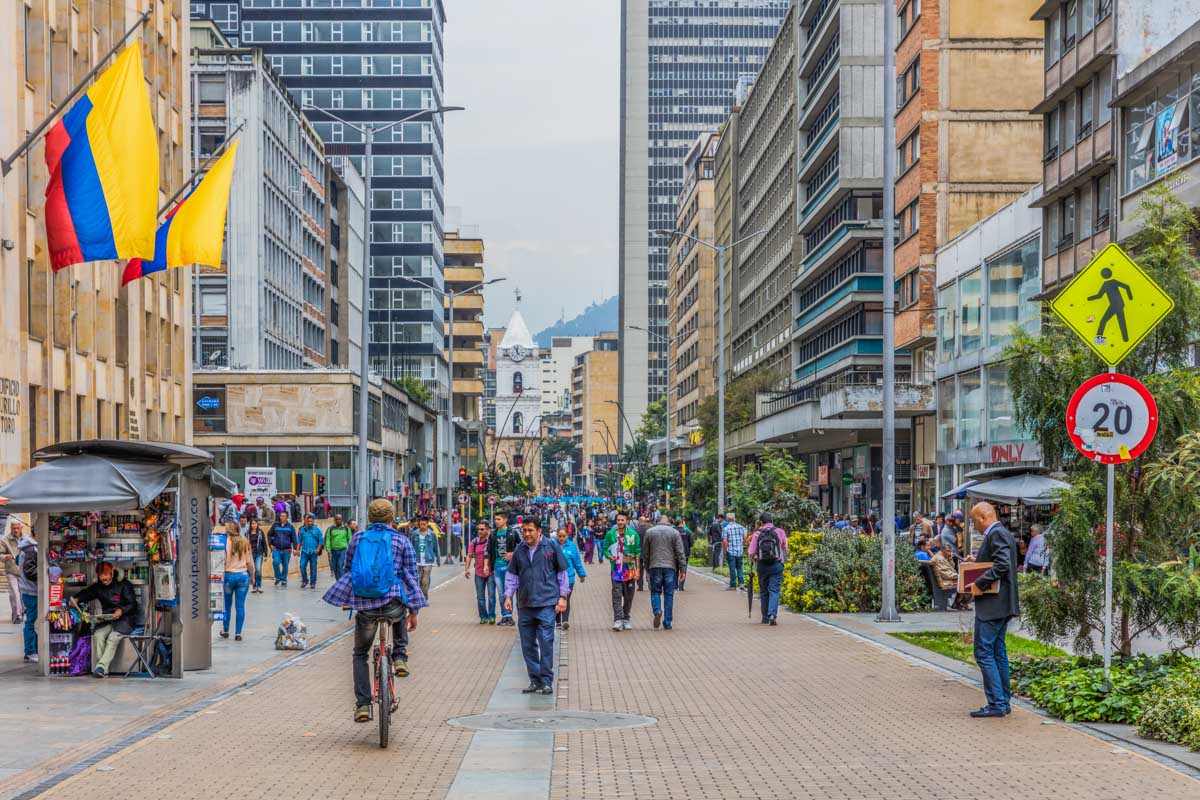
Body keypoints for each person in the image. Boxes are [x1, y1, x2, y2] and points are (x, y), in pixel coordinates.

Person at [322, 499, 426, 723]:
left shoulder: (358, 538)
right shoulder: (402, 539)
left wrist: (349, 597)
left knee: (360, 653)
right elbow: (412, 576)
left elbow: (348, 569)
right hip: (392, 604)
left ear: (370, 518)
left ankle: (363, 705)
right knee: (398, 606)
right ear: (391, 518)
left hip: (366, 605)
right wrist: (414, 611)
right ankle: (399, 657)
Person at [965, 501, 1020, 718]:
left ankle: (997, 703)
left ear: (982, 517)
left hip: (994, 605)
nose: (973, 525)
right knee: (997, 652)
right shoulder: (1001, 533)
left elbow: (1002, 564)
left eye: (973, 520)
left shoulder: (996, 534)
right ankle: (1002, 702)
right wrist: (977, 561)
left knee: (983, 652)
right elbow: (997, 562)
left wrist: (979, 584)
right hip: (1002, 604)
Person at [503, 518, 569, 694]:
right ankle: (535, 679)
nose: (526, 534)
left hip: (546, 603)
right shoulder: (520, 549)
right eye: (524, 530)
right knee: (527, 644)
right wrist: (508, 596)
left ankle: (546, 680)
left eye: (530, 530)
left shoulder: (551, 547)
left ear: (539, 531)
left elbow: (562, 573)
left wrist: (563, 597)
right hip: (524, 604)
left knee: (546, 641)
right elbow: (512, 575)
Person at [70, 562, 140, 676]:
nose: (105, 582)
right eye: (103, 580)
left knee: (113, 637)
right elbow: (87, 593)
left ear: (112, 573)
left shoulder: (124, 585)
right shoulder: (98, 587)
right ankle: (103, 670)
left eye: (107, 579)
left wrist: (121, 610)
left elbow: (133, 604)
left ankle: (101, 666)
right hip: (107, 619)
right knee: (98, 635)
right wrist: (77, 599)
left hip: (125, 620)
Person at [643, 514, 686, 630]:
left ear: (658, 521)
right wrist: (683, 570)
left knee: (655, 591)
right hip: (670, 567)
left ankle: (657, 610)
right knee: (669, 594)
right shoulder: (674, 533)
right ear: (668, 522)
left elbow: (645, 553)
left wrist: (646, 568)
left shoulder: (650, 532)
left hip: (654, 566)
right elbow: (680, 552)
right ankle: (667, 622)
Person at [603, 511, 640, 631]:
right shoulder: (610, 534)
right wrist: (609, 556)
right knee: (617, 595)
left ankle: (626, 618)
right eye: (618, 520)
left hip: (629, 569)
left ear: (627, 521)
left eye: (622, 520)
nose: (620, 522)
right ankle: (618, 620)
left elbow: (638, 552)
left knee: (629, 596)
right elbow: (605, 549)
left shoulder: (633, 534)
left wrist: (638, 569)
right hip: (616, 570)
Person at [748, 513, 788, 626]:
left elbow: (751, 552)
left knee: (764, 591)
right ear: (772, 520)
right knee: (774, 590)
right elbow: (785, 547)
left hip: (762, 566)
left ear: (761, 522)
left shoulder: (757, 534)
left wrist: (753, 559)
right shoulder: (780, 531)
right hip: (776, 564)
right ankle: (772, 615)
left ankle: (765, 618)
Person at [220, 522, 254, 640]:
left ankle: (225, 630)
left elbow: (222, 560)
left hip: (229, 576)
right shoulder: (245, 541)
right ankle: (238, 633)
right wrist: (252, 576)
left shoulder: (225, 542)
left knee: (227, 605)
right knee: (240, 606)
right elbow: (250, 563)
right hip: (243, 576)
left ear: (229, 530)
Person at [490, 510, 519, 627]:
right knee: (501, 593)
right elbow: (489, 550)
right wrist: (488, 565)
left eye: (498, 519)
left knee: (509, 592)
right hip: (497, 567)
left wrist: (513, 554)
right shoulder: (492, 534)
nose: (496, 522)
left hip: (509, 567)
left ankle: (509, 616)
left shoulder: (512, 532)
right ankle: (505, 616)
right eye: (495, 519)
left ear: (505, 520)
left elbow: (522, 545)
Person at [555, 527, 586, 629]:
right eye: (560, 536)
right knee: (555, 599)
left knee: (565, 599)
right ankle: (557, 621)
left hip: (569, 579)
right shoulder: (553, 546)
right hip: (555, 579)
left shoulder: (572, 547)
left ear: (567, 536)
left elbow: (577, 562)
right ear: (557, 536)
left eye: (563, 536)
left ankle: (565, 621)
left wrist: (581, 574)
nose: (561, 538)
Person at [466, 522, 496, 624]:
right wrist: (466, 569)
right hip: (478, 573)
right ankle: (483, 616)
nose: (480, 531)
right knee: (480, 597)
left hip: (491, 572)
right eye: (478, 529)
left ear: (487, 530)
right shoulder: (474, 542)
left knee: (491, 595)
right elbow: (469, 556)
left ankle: (492, 616)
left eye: (482, 529)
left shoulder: (492, 541)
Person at [16, 524, 37, 662]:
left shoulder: (27, 547)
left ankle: (33, 650)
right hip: (31, 592)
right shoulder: (31, 549)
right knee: (32, 622)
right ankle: (30, 651)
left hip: (29, 590)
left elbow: (18, 560)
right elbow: (30, 571)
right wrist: (46, 575)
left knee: (32, 621)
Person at [2, 516, 25, 624]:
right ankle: (17, 616)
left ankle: (20, 611)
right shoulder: (5, 539)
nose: (15, 530)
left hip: (24, 572)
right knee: (14, 593)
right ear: (10, 528)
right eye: (13, 528)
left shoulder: (27, 539)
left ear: (21, 528)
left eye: (17, 528)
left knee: (22, 594)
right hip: (11, 570)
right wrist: (5, 557)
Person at [412, 517, 441, 598]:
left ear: (427, 524)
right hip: (417, 560)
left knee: (425, 580)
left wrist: (438, 560)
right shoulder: (414, 534)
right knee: (418, 580)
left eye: (424, 524)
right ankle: (420, 595)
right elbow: (410, 546)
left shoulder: (431, 534)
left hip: (428, 560)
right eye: (421, 524)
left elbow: (436, 547)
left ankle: (424, 596)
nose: (422, 526)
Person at [268, 511, 297, 587]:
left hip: (287, 550)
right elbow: (269, 535)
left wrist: (295, 548)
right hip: (276, 549)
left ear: (287, 517)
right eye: (281, 516)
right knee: (276, 562)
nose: (282, 517)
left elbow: (294, 538)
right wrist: (270, 544)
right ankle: (278, 577)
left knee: (285, 565)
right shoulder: (275, 525)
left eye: (283, 516)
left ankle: (283, 580)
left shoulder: (290, 527)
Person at [297, 513, 324, 590]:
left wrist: (318, 549)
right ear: (306, 521)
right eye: (308, 521)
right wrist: (297, 550)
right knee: (302, 566)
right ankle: (305, 580)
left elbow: (320, 541)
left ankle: (313, 583)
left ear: (313, 522)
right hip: (304, 551)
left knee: (313, 567)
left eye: (311, 521)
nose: (309, 523)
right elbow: (299, 541)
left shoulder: (317, 530)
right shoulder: (302, 530)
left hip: (313, 552)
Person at [721, 512, 747, 591]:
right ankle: (741, 583)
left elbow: (725, 541)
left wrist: (725, 551)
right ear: (734, 518)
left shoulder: (726, 528)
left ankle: (733, 585)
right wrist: (741, 545)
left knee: (732, 568)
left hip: (731, 552)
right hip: (740, 551)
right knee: (739, 567)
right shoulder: (741, 527)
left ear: (727, 519)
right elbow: (745, 538)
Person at [930, 541, 958, 612]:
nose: (950, 553)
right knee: (966, 584)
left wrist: (950, 558)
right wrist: (958, 576)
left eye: (950, 551)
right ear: (942, 550)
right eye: (948, 551)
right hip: (945, 580)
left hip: (945, 578)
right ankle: (959, 603)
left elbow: (951, 567)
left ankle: (959, 603)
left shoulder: (943, 557)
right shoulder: (940, 559)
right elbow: (947, 574)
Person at [324, 514, 352, 581]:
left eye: (339, 519)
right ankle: (338, 580)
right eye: (337, 519)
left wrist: (349, 549)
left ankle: (341, 581)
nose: (338, 520)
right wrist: (328, 549)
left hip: (343, 550)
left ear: (342, 520)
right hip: (333, 550)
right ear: (334, 520)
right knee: (335, 566)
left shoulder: (346, 529)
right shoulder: (330, 529)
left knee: (340, 565)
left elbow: (350, 539)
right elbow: (328, 539)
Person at [244, 518, 268, 593]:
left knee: (258, 569)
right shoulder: (247, 533)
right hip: (250, 554)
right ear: (250, 525)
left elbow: (264, 543)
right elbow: (244, 544)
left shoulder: (260, 532)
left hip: (259, 553)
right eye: (252, 523)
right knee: (252, 570)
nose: (254, 525)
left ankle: (259, 586)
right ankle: (254, 586)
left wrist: (266, 554)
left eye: (255, 523)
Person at [674, 517, 693, 591]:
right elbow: (691, 543)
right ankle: (681, 586)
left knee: (675, 570)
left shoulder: (672, 531)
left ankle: (674, 586)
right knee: (683, 569)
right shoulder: (687, 532)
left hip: (674, 554)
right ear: (682, 523)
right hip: (685, 554)